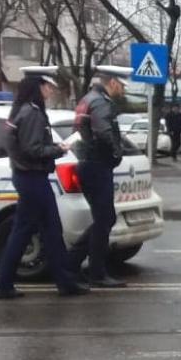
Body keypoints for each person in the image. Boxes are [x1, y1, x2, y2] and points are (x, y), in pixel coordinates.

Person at [0, 68, 89, 300]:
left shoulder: (22, 111)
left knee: (36, 230)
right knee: (43, 231)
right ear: (39, 87)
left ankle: (10, 283)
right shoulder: (33, 114)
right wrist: (59, 149)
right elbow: (33, 149)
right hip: (33, 178)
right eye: (48, 86)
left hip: (28, 178)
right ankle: (61, 282)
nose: (51, 91)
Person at [67, 65, 129, 289]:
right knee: (105, 219)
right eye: (121, 85)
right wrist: (116, 152)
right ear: (112, 82)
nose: (122, 90)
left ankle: (76, 265)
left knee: (104, 219)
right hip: (97, 164)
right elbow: (104, 132)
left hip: (88, 163)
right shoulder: (101, 102)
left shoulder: (87, 99)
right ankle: (93, 271)